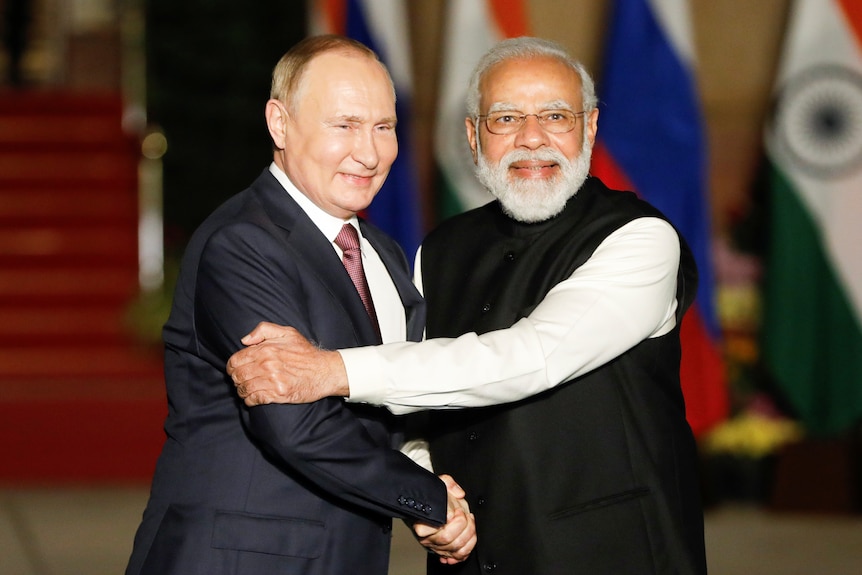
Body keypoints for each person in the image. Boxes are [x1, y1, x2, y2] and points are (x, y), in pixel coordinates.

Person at [228, 36, 707, 575]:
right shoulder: (439, 250)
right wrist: (427, 483)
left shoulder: (641, 238)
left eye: (555, 115)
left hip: (614, 554)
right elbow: (412, 401)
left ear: (590, 128)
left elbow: (532, 356)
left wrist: (329, 369)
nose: (532, 139)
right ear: (473, 135)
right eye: (505, 119)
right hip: (471, 558)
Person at [125, 35, 475, 575]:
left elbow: (388, 407)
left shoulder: (382, 253)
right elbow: (295, 423)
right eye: (345, 125)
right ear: (279, 123)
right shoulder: (243, 242)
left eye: (384, 126)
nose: (370, 151)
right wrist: (427, 499)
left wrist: (427, 473)